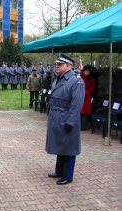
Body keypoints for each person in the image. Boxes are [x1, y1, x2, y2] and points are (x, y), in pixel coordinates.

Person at [46, 53, 85, 185]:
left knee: (69, 147)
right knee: (60, 144)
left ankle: (67, 175)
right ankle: (59, 171)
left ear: (68, 66)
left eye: (60, 64)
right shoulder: (59, 78)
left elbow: (76, 104)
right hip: (57, 116)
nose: (57, 66)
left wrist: (70, 121)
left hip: (67, 117)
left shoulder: (76, 81)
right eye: (57, 64)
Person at [80, 65, 95, 130]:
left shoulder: (91, 79)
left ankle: (84, 126)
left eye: (88, 71)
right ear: (83, 71)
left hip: (87, 98)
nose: (87, 72)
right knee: (79, 112)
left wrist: (86, 92)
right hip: (80, 96)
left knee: (85, 113)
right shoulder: (80, 78)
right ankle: (78, 125)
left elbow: (92, 87)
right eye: (86, 71)